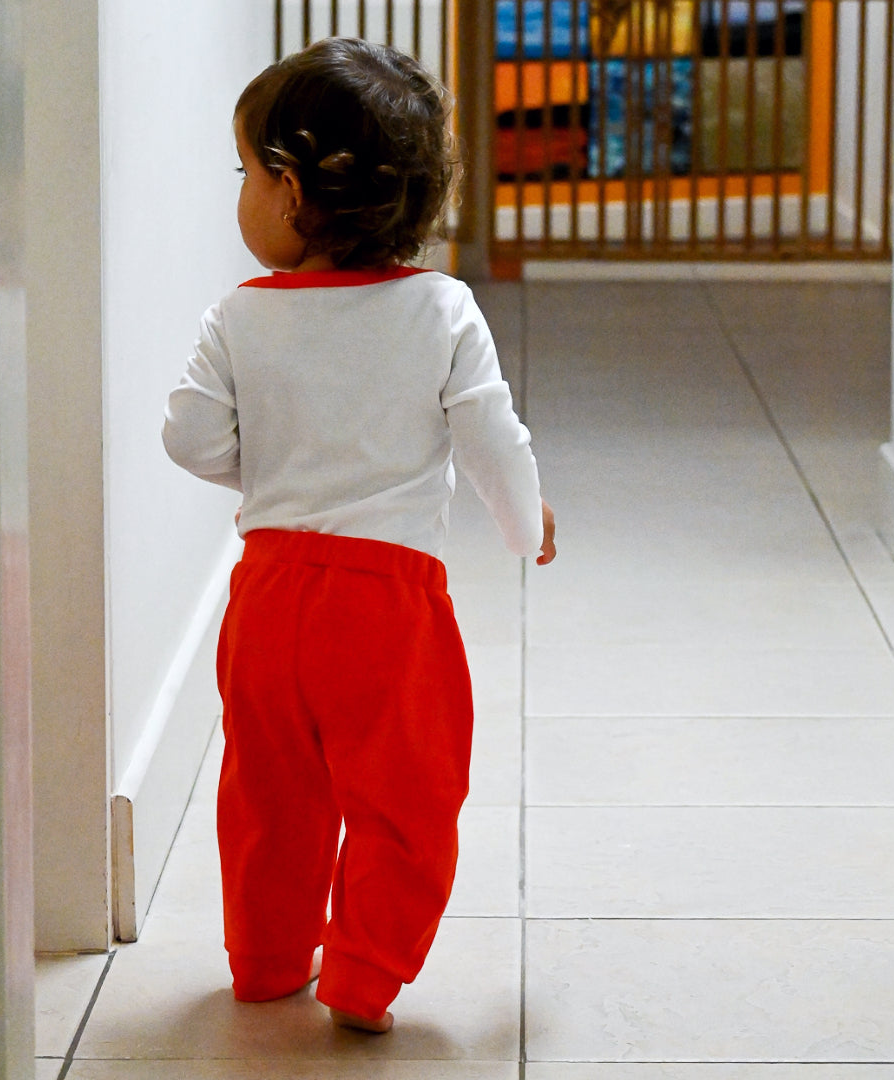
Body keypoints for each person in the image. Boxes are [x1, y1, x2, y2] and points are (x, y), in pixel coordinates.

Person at [162, 36, 556, 1035]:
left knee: (269, 794)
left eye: (244, 173)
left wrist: (281, 472)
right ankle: (364, 976)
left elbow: (189, 438)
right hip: (386, 609)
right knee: (404, 801)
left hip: (269, 594)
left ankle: (265, 961)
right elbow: (490, 439)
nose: (242, 193)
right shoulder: (443, 309)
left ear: (291, 191)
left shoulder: (240, 316)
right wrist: (525, 524)